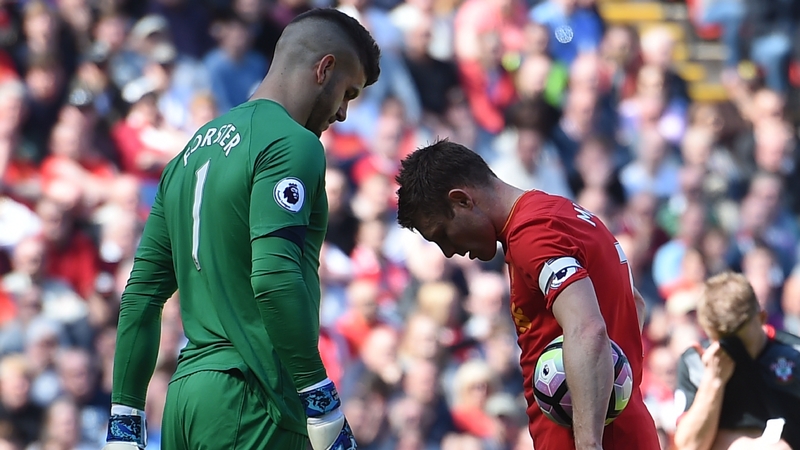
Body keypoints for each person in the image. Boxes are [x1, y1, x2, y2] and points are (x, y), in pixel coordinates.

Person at [102, 8, 381, 450]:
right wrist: (321, 400)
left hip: (187, 401)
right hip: (255, 400)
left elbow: (141, 297)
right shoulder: (293, 144)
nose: (344, 114)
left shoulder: (187, 155)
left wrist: (125, 421)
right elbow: (273, 276)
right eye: (347, 93)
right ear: (324, 68)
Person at [394, 140, 660, 450]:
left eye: (442, 234)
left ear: (462, 200)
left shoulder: (532, 234)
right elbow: (634, 303)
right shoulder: (563, 212)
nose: (449, 251)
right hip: (629, 429)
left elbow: (587, 327)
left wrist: (588, 442)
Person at [673, 272, 800, 450]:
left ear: (761, 317)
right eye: (722, 340)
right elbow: (688, 446)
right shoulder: (695, 362)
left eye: (739, 340)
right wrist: (713, 382)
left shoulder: (794, 355)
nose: (734, 349)